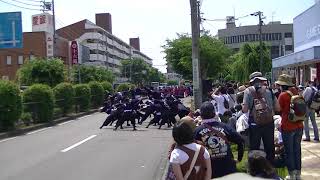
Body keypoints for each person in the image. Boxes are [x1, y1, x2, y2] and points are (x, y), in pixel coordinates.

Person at [194, 102, 244, 178]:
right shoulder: (225, 127)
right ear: (214, 113)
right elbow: (240, 141)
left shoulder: (196, 131)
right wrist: (239, 158)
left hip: (209, 170)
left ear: (201, 115)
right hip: (228, 168)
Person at [242, 72, 280, 164]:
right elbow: (278, 108)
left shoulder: (248, 91)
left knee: (254, 147)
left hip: (255, 123)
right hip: (269, 122)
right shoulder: (269, 91)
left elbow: (245, 109)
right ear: (262, 80)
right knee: (269, 146)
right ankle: (270, 169)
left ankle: (254, 169)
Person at [276, 74, 304, 180]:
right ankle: (298, 174)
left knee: (289, 151)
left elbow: (278, 108)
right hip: (299, 125)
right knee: (297, 150)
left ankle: (291, 175)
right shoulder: (297, 92)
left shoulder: (283, 95)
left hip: (288, 126)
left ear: (282, 85)